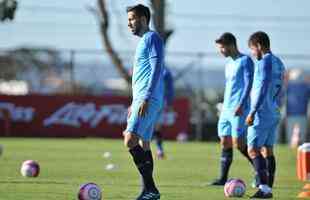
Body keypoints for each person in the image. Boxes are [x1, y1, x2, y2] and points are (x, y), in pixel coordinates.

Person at [124, 4, 164, 200]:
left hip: (148, 98)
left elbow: (157, 69)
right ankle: (148, 192)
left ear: (142, 19)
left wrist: (146, 97)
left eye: (132, 18)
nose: (129, 23)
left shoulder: (152, 38)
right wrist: (134, 102)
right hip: (142, 98)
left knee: (129, 140)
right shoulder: (144, 41)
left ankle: (151, 189)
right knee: (144, 143)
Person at [210, 32, 254, 185]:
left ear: (231, 45)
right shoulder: (229, 64)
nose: (220, 51)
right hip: (226, 110)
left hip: (239, 109)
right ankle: (222, 178)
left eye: (222, 47)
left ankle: (260, 169)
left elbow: (249, 83)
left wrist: (241, 104)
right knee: (225, 142)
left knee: (239, 144)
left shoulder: (245, 61)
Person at [246, 31, 285, 198]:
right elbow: (278, 88)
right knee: (268, 150)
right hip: (274, 111)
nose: (252, 53)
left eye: (252, 49)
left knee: (253, 150)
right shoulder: (279, 62)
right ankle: (268, 188)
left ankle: (264, 188)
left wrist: (253, 111)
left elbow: (263, 87)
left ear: (259, 46)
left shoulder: (264, 63)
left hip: (261, 112)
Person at [153, 66, 174, 159]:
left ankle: (159, 150)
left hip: (155, 101)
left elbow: (170, 88)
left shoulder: (164, 71)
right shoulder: (165, 71)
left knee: (152, 127)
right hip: (159, 102)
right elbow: (170, 89)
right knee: (156, 127)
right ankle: (159, 150)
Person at [286, 69, 310, 148]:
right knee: (301, 137)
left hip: (291, 114)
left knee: (291, 137)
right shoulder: (306, 86)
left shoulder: (288, 86)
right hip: (301, 114)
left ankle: (294, 147)